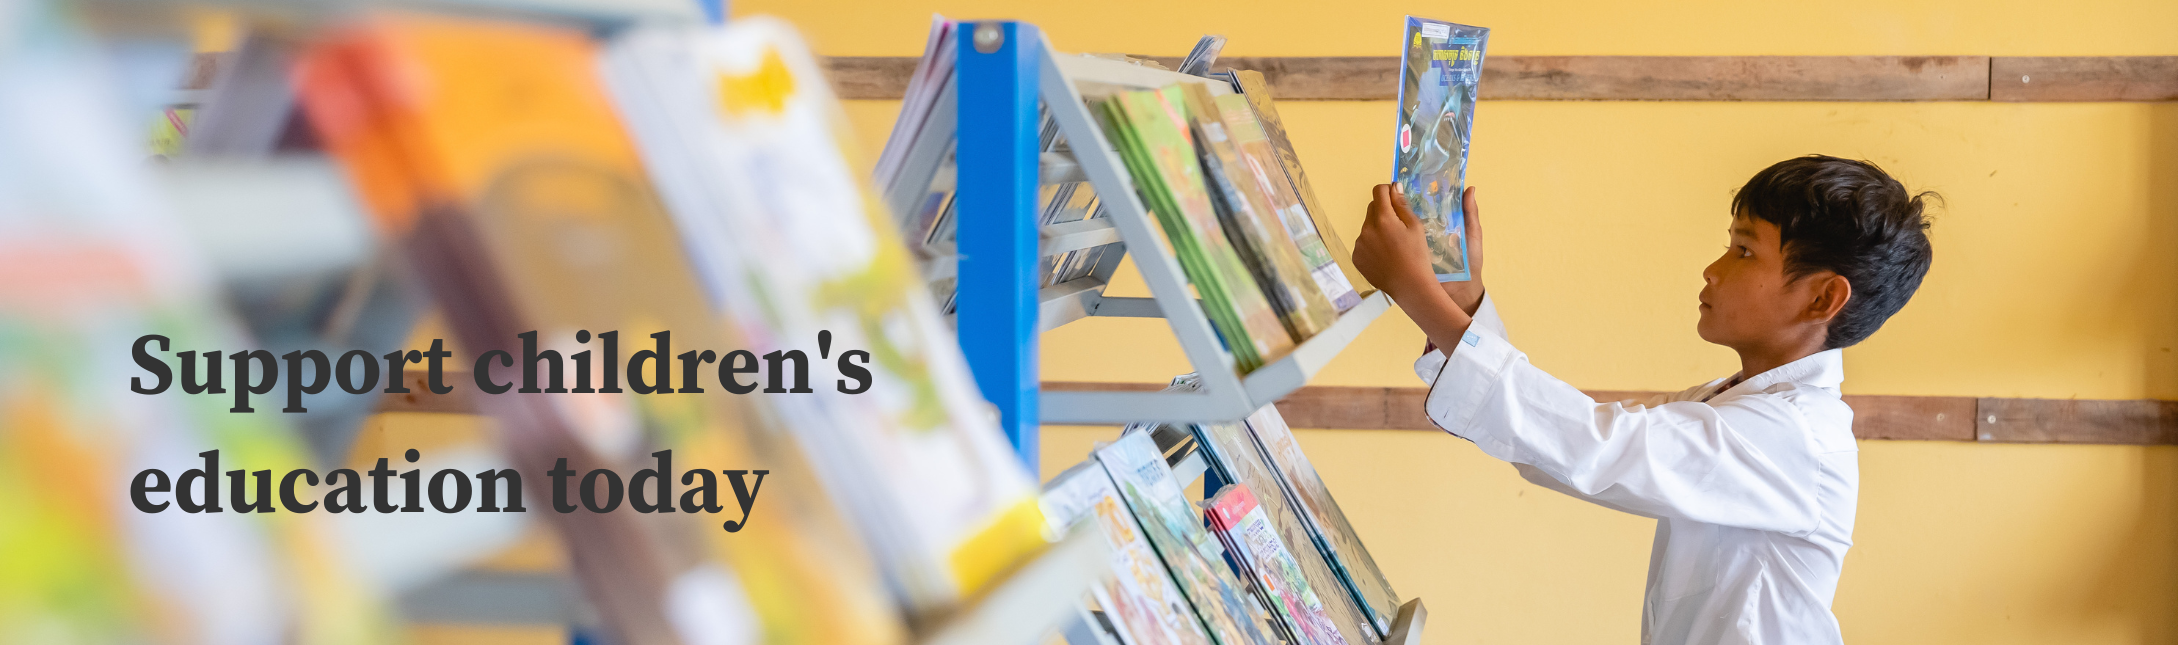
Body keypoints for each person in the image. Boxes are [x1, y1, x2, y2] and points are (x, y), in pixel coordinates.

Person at [1349, 155, 1935, 645]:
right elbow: (1567, 438)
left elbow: (1592, 447)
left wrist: (1419, 294)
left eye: (1745, 252)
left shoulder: (1794, 439)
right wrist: (1462, 302)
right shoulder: (1734, 405)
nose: (1712, 269)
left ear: (1823, 298)